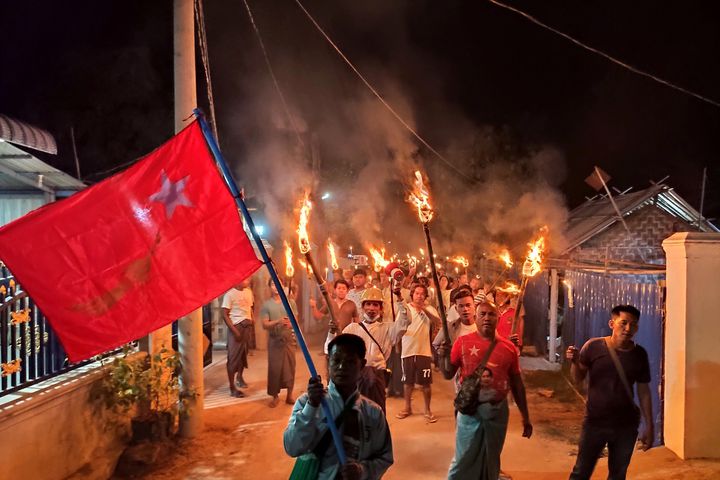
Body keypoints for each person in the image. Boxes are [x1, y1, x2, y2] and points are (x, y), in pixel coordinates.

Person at [438, 301, 533, 479]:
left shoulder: (508, 348)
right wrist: (442, 357)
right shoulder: (462, 342)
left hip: (497, 413)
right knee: (463, 458)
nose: (487, 318)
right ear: (476, 318)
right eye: (483, 314)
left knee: (492, 458)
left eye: (491, 314)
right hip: (469, 411)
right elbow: (447, 374)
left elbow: (517, 384)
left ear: (498, 318)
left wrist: (525, 417)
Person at [284, 334, 394, 480]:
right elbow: (292, 447)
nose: (342, 367)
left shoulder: (373, 413)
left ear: (362, 365)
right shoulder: (307, 403)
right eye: (336, 360)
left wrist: (362, 471)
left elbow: (385, 457)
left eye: (350, 362)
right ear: (328, 362)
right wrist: (311, 408)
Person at [566, 305, 653, 480]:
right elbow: (577, 378)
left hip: (626, 425)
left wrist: (650, 426)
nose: (628, 328)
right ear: (612, 323)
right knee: (581, 472)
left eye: (633, 324)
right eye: (624, 323)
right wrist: (575, 362)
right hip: (595, 423)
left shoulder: (639, 354)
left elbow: (643, 391)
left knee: (618, 475)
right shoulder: (593, 346)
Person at [392, 283, 440, 423]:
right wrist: (397, 345)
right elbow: (398, 327)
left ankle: (427, 410)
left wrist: (424, 309)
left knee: (425, 384)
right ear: (412, 294)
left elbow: (437, 321)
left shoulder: (429, 309)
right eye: (417, 293)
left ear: (426, 296)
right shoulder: (405, 308)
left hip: (423, 352)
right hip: (407, 351)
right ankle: (407, 408)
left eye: (422, 294)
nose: (419, 296)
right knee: (408, 383)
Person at [343, 287, 393, 412]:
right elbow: (334, 347)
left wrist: (400, 297)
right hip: (357, 378)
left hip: (378, 378)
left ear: (381, 309)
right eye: (368, 304)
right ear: (362, 307)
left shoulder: (387, 329)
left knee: (378, 412)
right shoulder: (352, 329)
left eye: (375, 305)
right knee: (357, 414)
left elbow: (404, 323)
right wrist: (332, 333)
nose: (371, 308)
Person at [260, 279, 297, 408]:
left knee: (290, 367)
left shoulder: (290, 302)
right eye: (273, 284)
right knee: (275, 369)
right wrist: (278, 321)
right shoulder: (267, 305)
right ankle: (275, 396)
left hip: (288, 340)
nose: (276, 287)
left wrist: (290, 323)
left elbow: (295, 321)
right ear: (270, 287)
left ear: (283, 286)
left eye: (279, 284)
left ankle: (289, 395)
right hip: (274, 340)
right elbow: (265, 324)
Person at [433, 287, 478, 391]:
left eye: (468, 305)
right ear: (456, 309)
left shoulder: (482, 326)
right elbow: (436, 344)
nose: (465, 309)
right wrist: (443, 353)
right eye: (461, 306)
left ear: (474, 306)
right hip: (461, 380)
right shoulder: (451, 327)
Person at [221, 278, 254, 397]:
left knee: (243, 355)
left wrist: (252, 321)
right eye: (246, 278)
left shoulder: (249, 292)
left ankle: (239, 377)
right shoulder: (229, 294)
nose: (248, 280)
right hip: (236, 327)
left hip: (247, 327)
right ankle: (232, 387)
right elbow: (224, 314)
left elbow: (250, 308)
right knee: (233, 357)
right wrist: (235, 331)